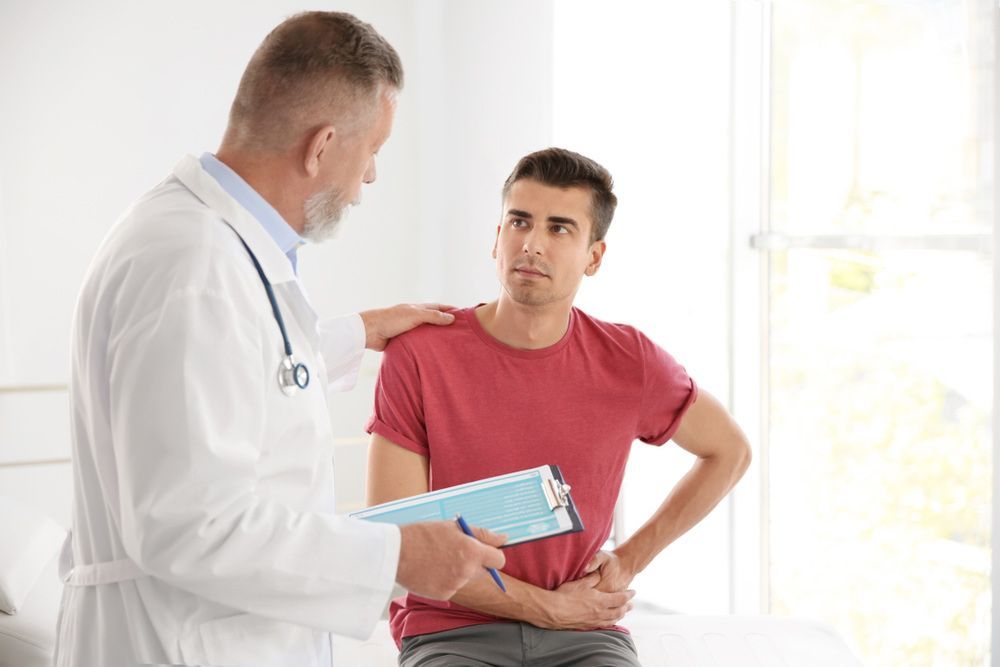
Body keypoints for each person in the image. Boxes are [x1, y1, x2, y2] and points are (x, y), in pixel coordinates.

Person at [54, 12, 505, 667]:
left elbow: (232, 377)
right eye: (372, 151)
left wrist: (359, 332)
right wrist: (396, 555)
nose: (370, 178)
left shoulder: (205, 242)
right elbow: (190, 524)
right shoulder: (195, 267)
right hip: (176, 643)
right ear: (320, 147)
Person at [366, 147, 753, 666]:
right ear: (496, 238)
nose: (531, 243)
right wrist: (548, 608)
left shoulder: (630, 361)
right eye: (519, 222)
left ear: (594, 256)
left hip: (587, 635)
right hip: (451, 632)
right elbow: (401, 545)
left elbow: (730, 452)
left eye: (559, 228)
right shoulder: (419, 352)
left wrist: (630, 559)